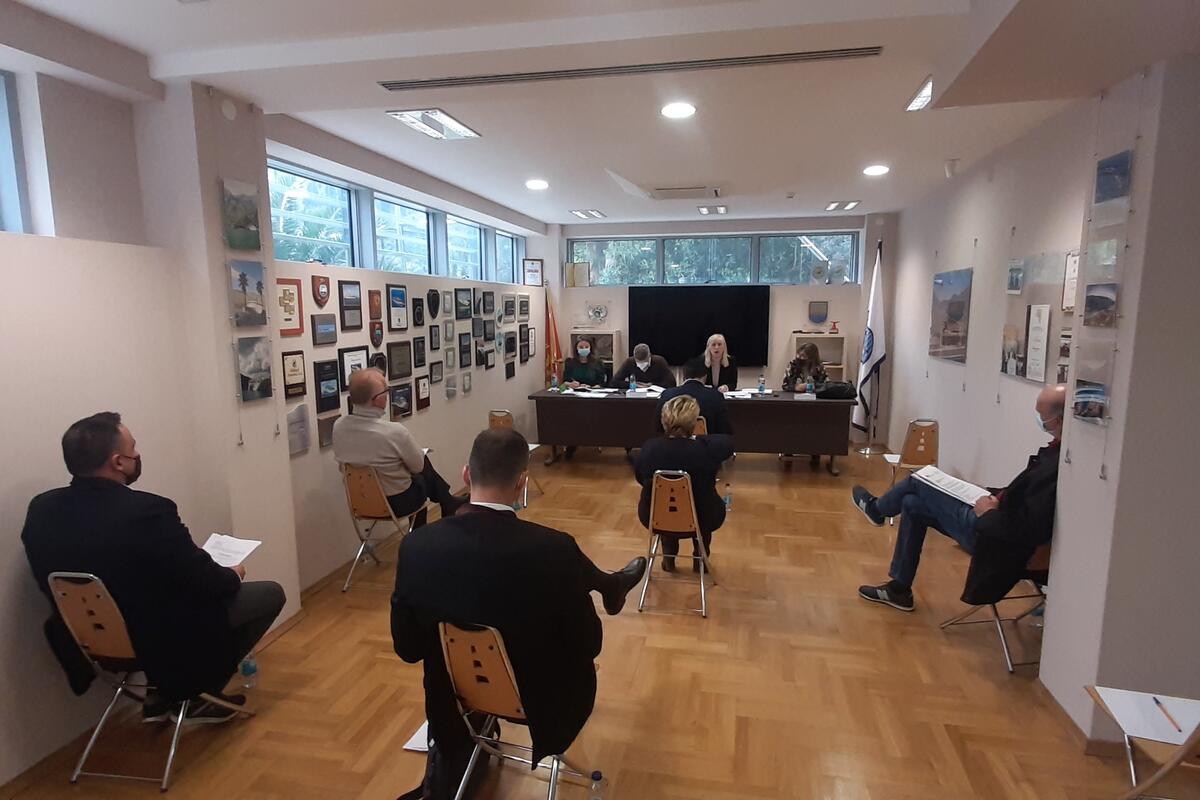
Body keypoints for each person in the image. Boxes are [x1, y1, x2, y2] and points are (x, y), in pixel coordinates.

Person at [390, 428, 648, 799]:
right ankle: (612, 585)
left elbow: (408, 647)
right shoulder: (552, 549)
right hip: (540, 699)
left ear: (466, 474)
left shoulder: (416, 546)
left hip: (454, 695)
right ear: (522, 482)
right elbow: (589, 644)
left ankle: (612, 585)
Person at [21, 412, 286, 722]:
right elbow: (207, 582)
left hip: (87, 641)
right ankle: (196, 692)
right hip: (159, 638)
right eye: (133, 448)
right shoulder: (149, 511)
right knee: (269, 594)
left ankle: (161, 693)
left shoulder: (42, 509)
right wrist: (233, 574)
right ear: (118, 462)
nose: (137, 454)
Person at [851, 385, 1066, 612]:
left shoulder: (1058, 467)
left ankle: (877, 509)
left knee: (918, 480)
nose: (1037, 418)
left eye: (1041, 414)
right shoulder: (1057, 454)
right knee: (911, 504)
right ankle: (899, 590)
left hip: (992, 537)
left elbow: (1028, 529)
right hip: (995, 518)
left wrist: (989, 512)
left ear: (1059, 420)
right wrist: (990, 493)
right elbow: (1023, 498)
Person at [333, 368, 466, 525]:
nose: (388, 396)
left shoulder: (339, 426)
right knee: (421, 473)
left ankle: (447, 502)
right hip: (397, 503)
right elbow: (418, 466)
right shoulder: (393, 432)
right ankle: (440, 510)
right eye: (386, 392)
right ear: (377, 399)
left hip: (360, 502)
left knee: (419, 472)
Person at [635, 396, 734, 572]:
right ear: (694, 423)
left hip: (653, 517)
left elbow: (640, 478)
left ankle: (669, 556)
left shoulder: (649, 448)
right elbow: (728, 442)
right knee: (699, 504)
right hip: (704, 517)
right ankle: (701, 559)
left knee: (667, 505)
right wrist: (699, 438)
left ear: (663, 421)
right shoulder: (707, 449)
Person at [656, 359, 732, 435]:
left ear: (684, 376)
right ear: (705, 376)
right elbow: (724, 430)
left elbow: (658, 428)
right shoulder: (716, 396)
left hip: (672, 441)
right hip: (706, 442)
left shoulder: (667, 394)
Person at [610, 343, 676, 389]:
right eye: (638, 362)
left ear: (649, 356)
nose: (641, 365)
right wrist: (633, 385)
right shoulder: (629, 362)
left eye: (644, 361)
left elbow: (671, 383)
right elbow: (614, 382)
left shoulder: (659, 361)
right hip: (635, 394)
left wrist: (652, 385)